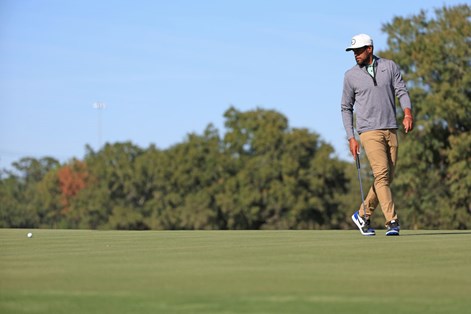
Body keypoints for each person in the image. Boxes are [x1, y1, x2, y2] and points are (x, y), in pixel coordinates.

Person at [340, 34, 414, 236]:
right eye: (353, 51)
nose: (355, 54)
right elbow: (346, 108)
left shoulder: (389, 66)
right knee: (381, 174)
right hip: (368, 131)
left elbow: (401, 90)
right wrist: (351, 137)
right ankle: (392, 221)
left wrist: (407, 112)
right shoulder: (350, 76)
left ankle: (363, 214)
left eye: (358, 50)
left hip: (390, 127)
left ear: (369, 49)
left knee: (386, 177)